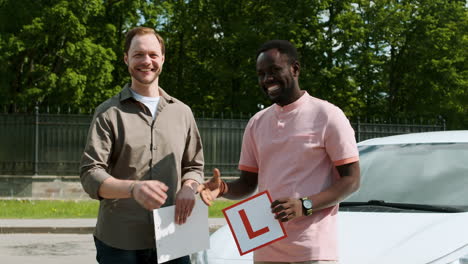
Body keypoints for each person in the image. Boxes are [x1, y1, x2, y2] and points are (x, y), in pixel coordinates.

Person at [200, 40, 360, 264]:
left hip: (312, 252)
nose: (267, 79)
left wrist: (304, 205)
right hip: (265, 249)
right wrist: (223, 188)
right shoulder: (257, 122)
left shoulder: (328, 115)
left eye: (274, 70)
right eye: (261, 74)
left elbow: (351, 181)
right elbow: (247, 183)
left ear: (295, 69)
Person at [80, 27, 204, 264]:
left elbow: (194, 167)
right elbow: (90, 173)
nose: (146, 61)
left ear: (163, 59)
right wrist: (132, 189)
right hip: (120, 240)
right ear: (126, 59)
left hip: (174, 234)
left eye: (153, 54)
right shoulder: (108, 113)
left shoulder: (182, 112)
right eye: (138, 54)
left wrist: (189, 187)